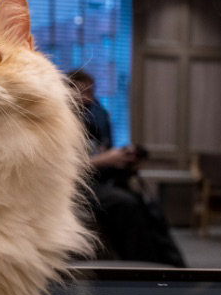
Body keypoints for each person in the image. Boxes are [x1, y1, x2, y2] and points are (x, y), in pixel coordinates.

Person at [67, 70, 186, 267]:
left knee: (146, 202)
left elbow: (99, 152)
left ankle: (171, 266)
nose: (88, 98)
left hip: (96, 182)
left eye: (91, 92)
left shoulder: (95, 118)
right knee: (124, 203)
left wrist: (121, 159)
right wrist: (104, 160)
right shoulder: (57, 122)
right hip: (73, 188)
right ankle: (142, 270)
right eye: (82, 92)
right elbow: (63, 168)